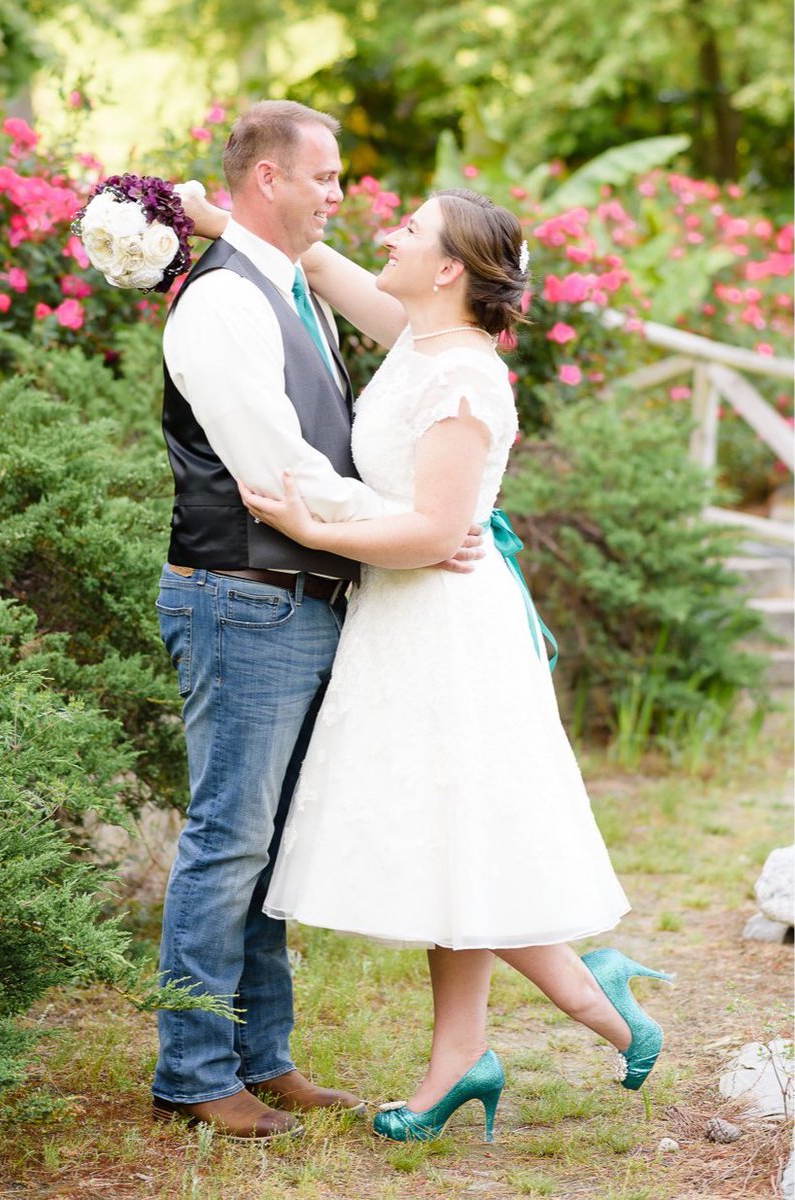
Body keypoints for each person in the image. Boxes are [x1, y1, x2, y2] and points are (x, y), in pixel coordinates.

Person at [190, 184, 673, 1144]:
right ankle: (472, 1054)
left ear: (448, 267)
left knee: (458, 833)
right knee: (443, 839)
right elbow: (319, 265)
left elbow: (432, 534)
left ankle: (588, 1000)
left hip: (447, 627)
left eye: (408, 230)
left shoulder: (467, 379)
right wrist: (225, 225)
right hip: (402, 619)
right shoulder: (418, 337)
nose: (388, 235)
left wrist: (299, 520)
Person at [152, 100, 482, 1142]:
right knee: (227, 840)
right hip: (242, 597)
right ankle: (193, 1072)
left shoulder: (289, 286)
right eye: (325, 177)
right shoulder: (221, 305)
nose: (340, 195)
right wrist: (412, 529)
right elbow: (277, 472)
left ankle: (263, 1057)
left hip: (299, 597)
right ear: (267, 181)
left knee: (272, 845)